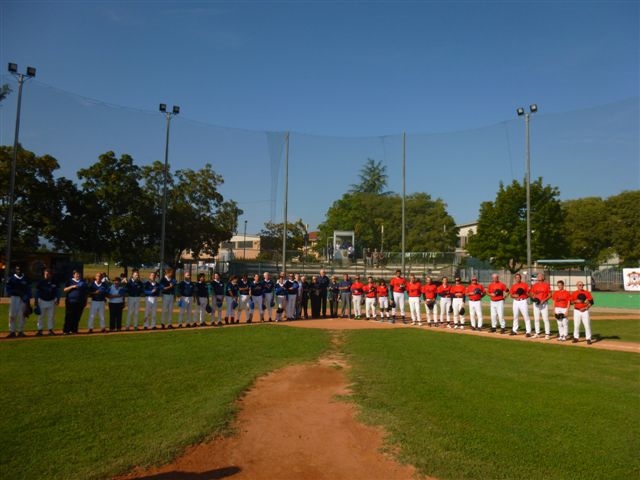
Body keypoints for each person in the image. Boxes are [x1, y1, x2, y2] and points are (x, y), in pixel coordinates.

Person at [6, 265, 31, 338]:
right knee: (12, 315)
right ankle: (12, 331)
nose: (19, 271)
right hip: (14, 298)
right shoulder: (11, 279)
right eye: (17, 269)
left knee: (22, 315)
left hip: (23, 298)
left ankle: (20, 331)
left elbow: (28, 289)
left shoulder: (26, 279)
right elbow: (8, 289)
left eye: (20, 269)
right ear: (15, 270)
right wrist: (18, 293)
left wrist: (27, 298)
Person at [34, 268, 60, 336]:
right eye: (46, 274)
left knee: (51, 316)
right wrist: (36, 300)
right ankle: (40, 330)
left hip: (51, 301)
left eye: (48, 274)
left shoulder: (54, 282)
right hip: (42, 300)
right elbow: (37, 292)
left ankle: (50, 330)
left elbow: (57, 291)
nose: (47, 275)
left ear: (51, 275)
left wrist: (58, 299)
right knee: (41, 316)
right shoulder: (41, 282)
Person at [63, 270, 88, 335]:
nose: (78, 275)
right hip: (70, 302)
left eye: (79, 274)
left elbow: (85, 293)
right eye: (76, 274)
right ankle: (66, 330)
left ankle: (74, 330)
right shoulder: (70, 281)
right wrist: (72, 286)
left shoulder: (83, 282)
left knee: (77, 317)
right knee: (69, 316)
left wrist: (85, 301)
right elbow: (65, 289)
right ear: (73, 275)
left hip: (80, 302)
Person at [530, 272, 552, 339]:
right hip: (536, 304)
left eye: (540, 276)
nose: (539, 277)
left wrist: (544, 300)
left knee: (545, 319)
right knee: (536, 319)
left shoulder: (546, 285)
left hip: (544, 304)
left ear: (543, 278)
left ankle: (547, 334)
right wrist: (534, 298)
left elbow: (550, 295)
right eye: (538, 276)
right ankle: (537, 333)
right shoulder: (535, 285)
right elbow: (532, 293)